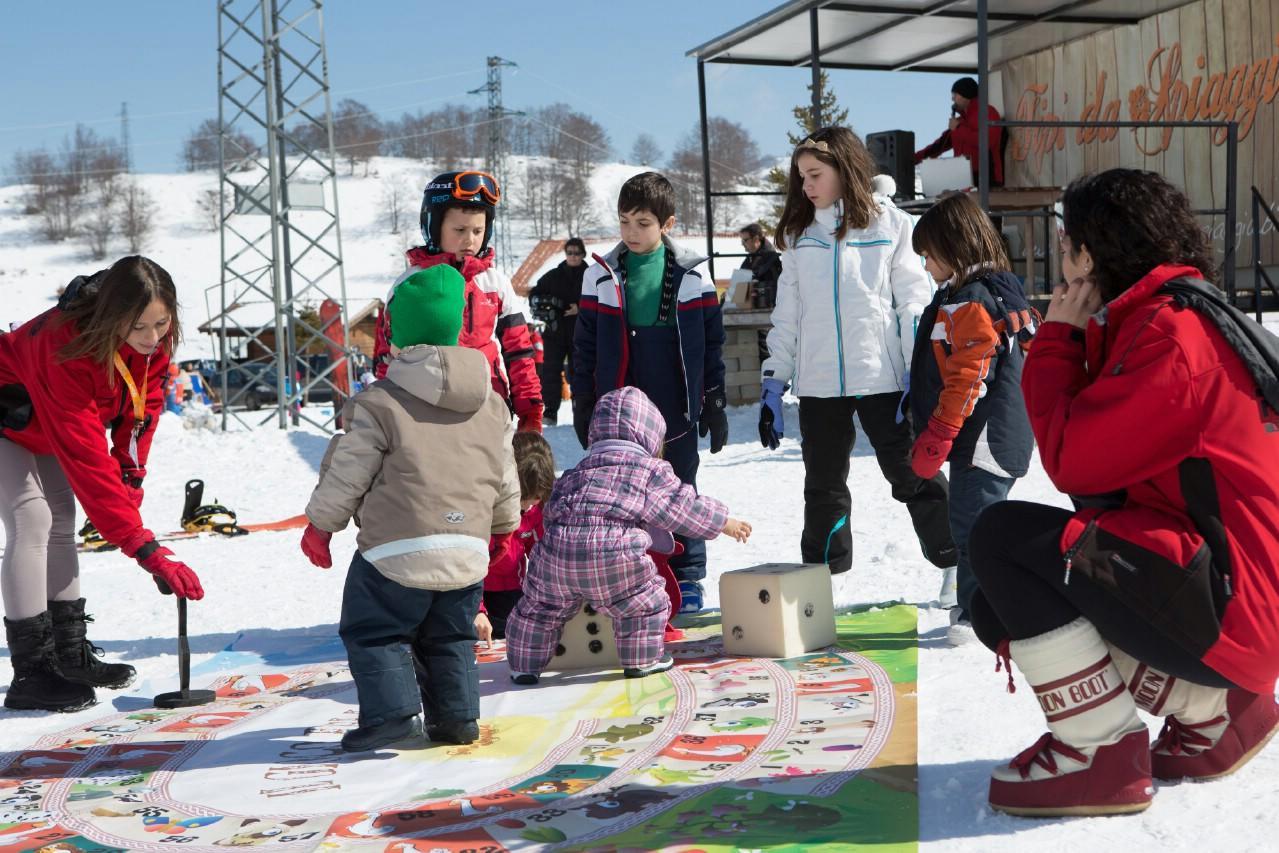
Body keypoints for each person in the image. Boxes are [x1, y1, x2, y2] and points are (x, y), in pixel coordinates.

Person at [967, 169, 1279, 817]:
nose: (1058, 257)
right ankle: (1214, 709)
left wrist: (1055, 340)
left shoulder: (1167, 335)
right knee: (1002, 598)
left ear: (1090, 251)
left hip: (1229, 603)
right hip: (1238, 600)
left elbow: (1073, 463)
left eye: (1064, 242)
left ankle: (1096, 750)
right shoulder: (1181, 313)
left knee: (1002, 540)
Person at [300, 264, 521, 752]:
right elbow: (504, 476)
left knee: (375, 630)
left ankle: (392, 716)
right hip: (467, 551)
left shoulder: (378, 403)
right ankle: (458, 718)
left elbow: (349, 473)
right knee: (450, 636)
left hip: (395, 549)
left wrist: (321, 526)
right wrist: (503, 529)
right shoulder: (492, 406)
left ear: (396, 336)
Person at [0, 256, 205, 713]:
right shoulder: (60, 345)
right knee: (31, 516)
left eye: (162, 323)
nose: (153, 338)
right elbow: (85, 456)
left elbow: (142, 408)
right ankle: (32, 671)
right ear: (112, 316)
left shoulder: (153, 341)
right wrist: (142, 546)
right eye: (139, 327)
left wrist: (130, 483)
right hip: (8, 417)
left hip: (41, 422)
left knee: (62, 519)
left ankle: (70, 654)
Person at [760, 125, 956, 577]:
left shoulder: (891, 225)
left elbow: (913, 303)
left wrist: (915, 370)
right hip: (820, 382)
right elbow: (788, 313)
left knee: (912, 473)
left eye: (814, 175)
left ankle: (955, 565)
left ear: (844, 170)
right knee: (824, 487)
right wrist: (775, 377)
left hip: (883, 378)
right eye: (801, 177)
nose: (806, 186)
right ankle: (822, 582)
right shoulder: (798, 234)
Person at [505, 386, 750, 684]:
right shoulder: (648, 471)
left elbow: (554, 507)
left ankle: (523, 664)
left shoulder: (580, 469)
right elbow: (680, 506)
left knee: (539, 607)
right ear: (649, 434)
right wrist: (724, 521)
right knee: (644, 601)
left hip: (558, 556)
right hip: (614, 556)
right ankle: (641, 660)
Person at [572, 171, 729, 614]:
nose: (631, 232)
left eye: (642, 223)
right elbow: (584, 347)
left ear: (668, 224)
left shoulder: (693, 275)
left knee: (680, 488)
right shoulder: (599, 275)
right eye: (624, 222)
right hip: (620, 402)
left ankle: (688, 576)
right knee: (622, 494)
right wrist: (585, 401)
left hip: (674, 398)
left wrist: (713, 402)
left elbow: (710, 343)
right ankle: (635, 577)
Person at [907, 192, 1036, 645]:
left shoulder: (974, 301)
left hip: (986, 439)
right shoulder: (970, 294)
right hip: (985, 435)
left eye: (929, 255)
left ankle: (978, 612)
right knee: (977, 523)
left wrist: (939, 434)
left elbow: (970, 374)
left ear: (954, 246)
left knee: (973, 527)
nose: (925, 266)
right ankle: (988, 605)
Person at [372, 170, 543, 433]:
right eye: (460, 230)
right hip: (423, 413)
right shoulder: (410, 285)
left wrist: (530, 412)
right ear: (434, 226)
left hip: (487, 407)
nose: (470, 239)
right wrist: (386, 413)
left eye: (478, 230)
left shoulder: (495, 284)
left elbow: (519, 352)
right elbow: (387, 356)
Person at [472, 430, 555, 641]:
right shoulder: (485, 506)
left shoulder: (536, 511)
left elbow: (541, 556)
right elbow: (469, 562)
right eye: (524, 499)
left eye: (535, 499)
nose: (528, 506)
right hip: (474, 590)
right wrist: (477, 609)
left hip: (512, 590)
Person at [530, 238, 587, 425]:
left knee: (580, 372)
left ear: (583, 254)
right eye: (569, 252)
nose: (573, 256)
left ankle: (581, 412)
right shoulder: (553, 276)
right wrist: (551, 306)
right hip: (555, 332)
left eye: (576, 253)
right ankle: (551, 412)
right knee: (551, 372)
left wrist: (579, 307)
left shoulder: (590, 276)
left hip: (581, 332)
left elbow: (602, 299)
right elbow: (535, 295)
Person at [914, 76, 1005, 188]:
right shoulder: (960, 121)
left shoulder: (987, 112)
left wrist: (958, 128)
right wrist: (914, 158)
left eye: (955, 95)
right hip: (965, 179)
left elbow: (986, 141)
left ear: (965, 94)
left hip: (988, 178)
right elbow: (939, 145)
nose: (952, 99)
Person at [739, 223, 782, 309]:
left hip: (765, 308)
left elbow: (773, 288)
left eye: (745, 240)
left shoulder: (771, 259)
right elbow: (741, 280)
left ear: (756, 239)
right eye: (742, 241)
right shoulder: (752, 257)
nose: (742, 244)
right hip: (750, 306)